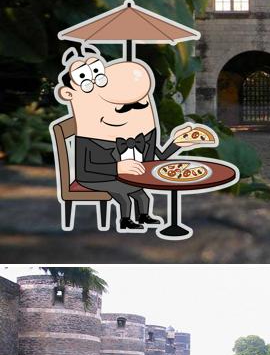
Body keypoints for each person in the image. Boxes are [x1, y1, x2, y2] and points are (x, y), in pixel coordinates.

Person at [53, 45, 217, 233]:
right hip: (93, 177)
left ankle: (143, 216)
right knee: (124, 193)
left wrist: (177, 143)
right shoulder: (89, 138)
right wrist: (117, 167)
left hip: (121, 174)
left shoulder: (138, 135)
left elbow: (158, 159)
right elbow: (85, 168)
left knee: (142, 195)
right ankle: (125, 221)